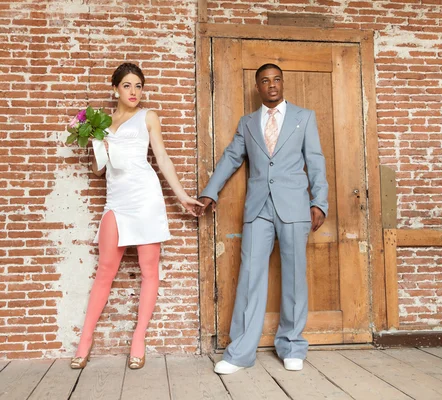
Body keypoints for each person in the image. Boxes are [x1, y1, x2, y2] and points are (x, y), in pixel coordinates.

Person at [196, 63, 328, 374]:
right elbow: (231, 157)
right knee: (250, 277)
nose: (271, 85)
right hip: (258, 209)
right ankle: (239, 352)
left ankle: (292, 345)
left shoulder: (304, 117)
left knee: (294, 277)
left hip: (295, 206)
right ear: (258, 87)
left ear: (283, 83)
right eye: (265, 81)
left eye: (276, 79)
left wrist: (319, 202)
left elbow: (316, 161)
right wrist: (210, 192)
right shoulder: (247, 123)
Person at [71, 63, 202, 370]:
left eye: (138, 86)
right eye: (127, 85)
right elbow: (98, 170)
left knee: (148, 269)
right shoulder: (101, 123)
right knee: (105, 269)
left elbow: (162, 158)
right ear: (115, 88)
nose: (133, 92)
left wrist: (181, 196)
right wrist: (95, 143)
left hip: (145, 198)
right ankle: (84, 343)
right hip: (116, 201)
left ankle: (138, 341)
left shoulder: (148, 117)